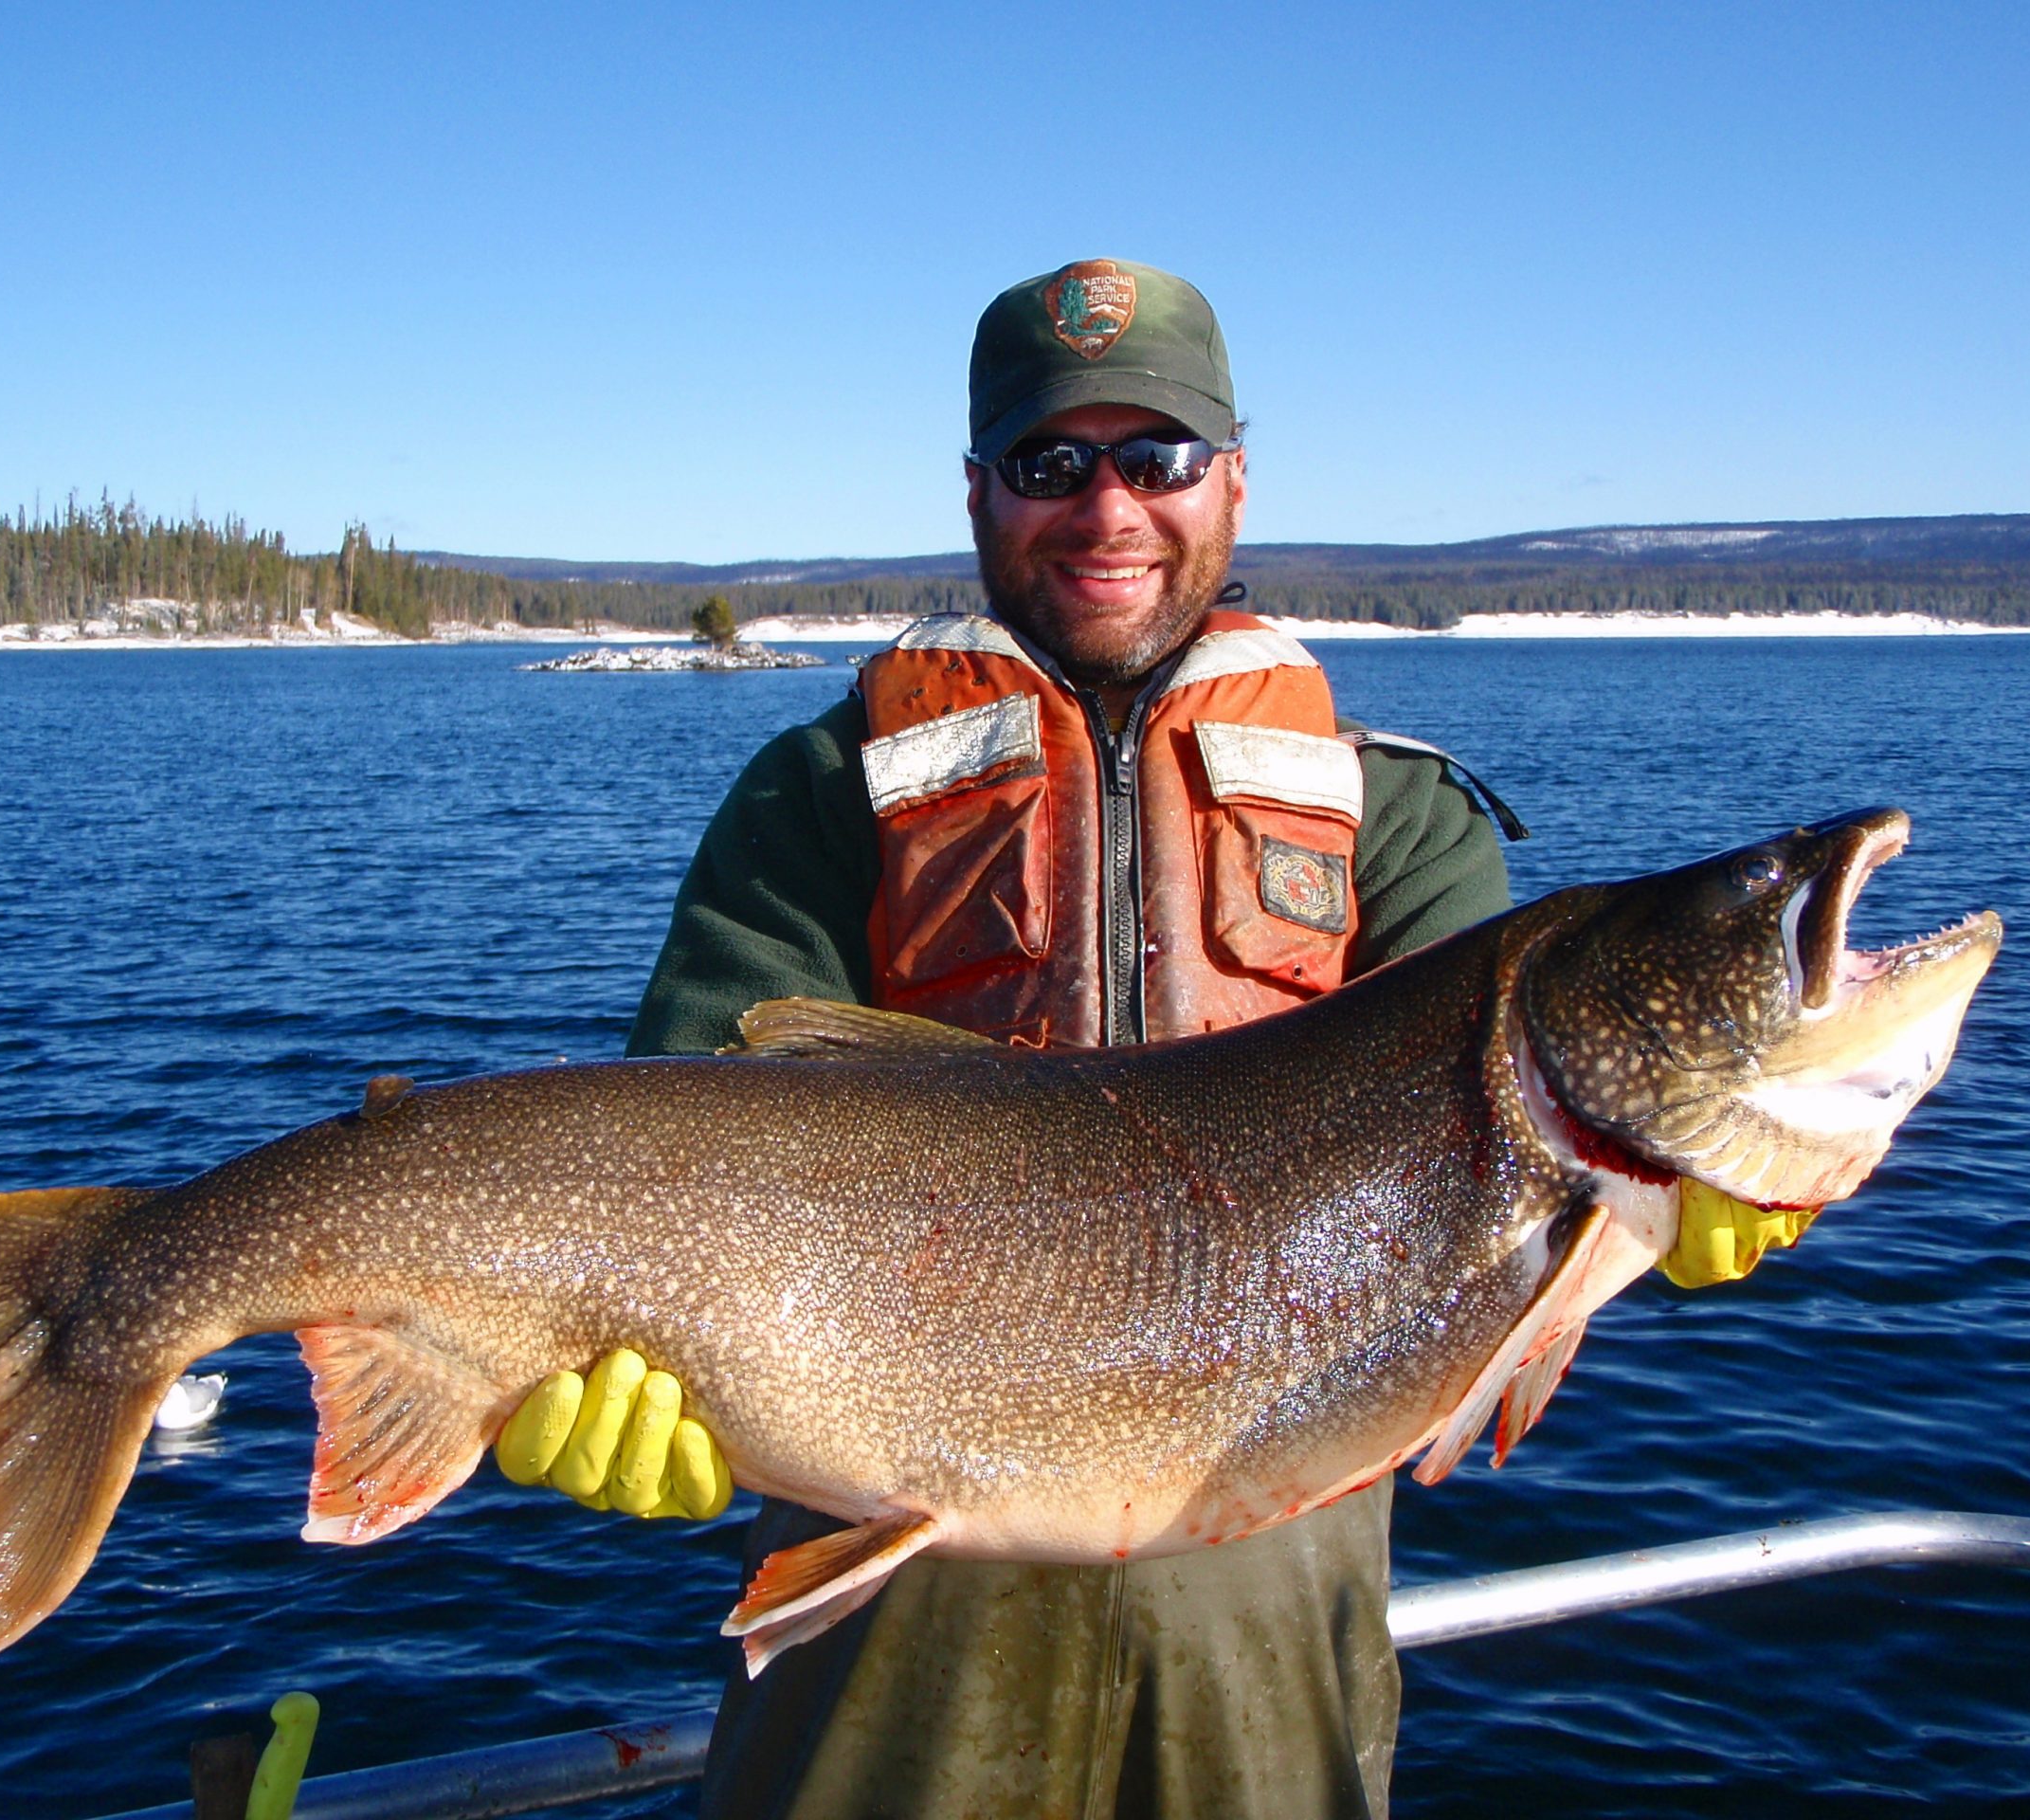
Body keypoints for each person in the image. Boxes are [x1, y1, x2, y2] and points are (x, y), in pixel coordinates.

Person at [496, 258, 1815, 1817]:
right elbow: (666, 1151)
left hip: (1267, 1659)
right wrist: (584, 1374)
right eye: (1053, 465)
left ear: (1235, 481)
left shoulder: (1400, 818)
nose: (1109, 509)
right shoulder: (817, 796)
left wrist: (1661, 1196)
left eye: (1159, 458)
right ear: (981, 493)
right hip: (878, 1671)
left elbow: (1514, 1220)